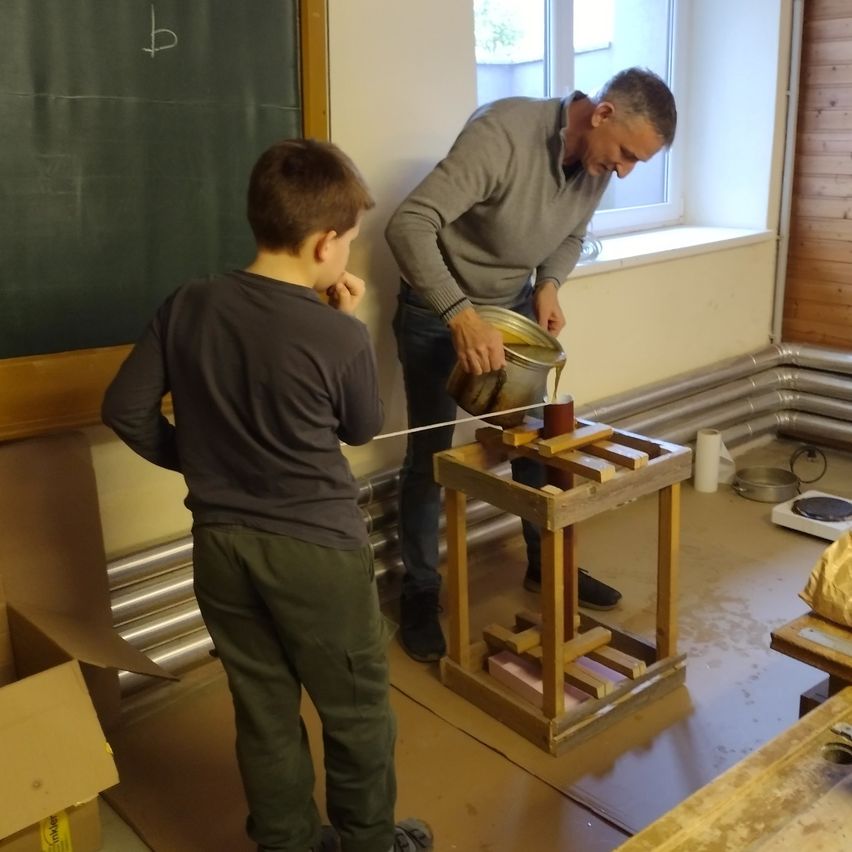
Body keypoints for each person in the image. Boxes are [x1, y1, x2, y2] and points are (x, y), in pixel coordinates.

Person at [102, 139, 433, 852]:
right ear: (323, 244)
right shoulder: (333, 333)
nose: (347, 255)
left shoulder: (187, 304)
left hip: (220, 549)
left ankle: (288, 843)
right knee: (357, 713)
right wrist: (347, 322)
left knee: (263, 709)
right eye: (347, 241)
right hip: (317, 553)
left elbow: (124, 410)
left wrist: (200, 463)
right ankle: (369, 843)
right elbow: (364, 426)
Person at [385, 67, 677, 663]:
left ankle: (548, 569)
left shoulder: (596, 164)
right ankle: (420, 590)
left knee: (536, 441)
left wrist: (549, 285)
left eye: (636, 165)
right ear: (601, 113)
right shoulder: (503, 134)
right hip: (437, 309)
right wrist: (460, 316)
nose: (623, 171)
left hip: (512, 312)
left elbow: (571, 235)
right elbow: (408, 223)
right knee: (431, 454)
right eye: (624, 154)